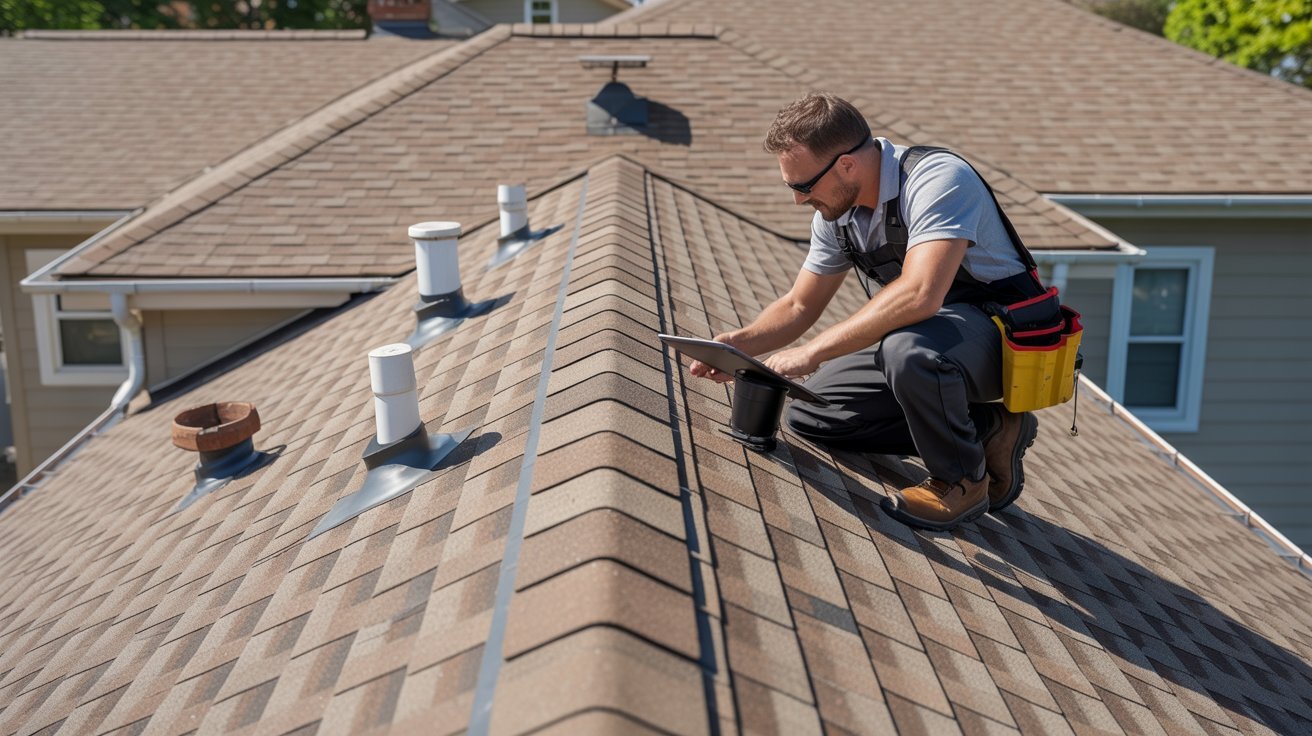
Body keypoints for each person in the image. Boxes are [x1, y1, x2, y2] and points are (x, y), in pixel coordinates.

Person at [689, 92, 1041, 531]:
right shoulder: (837, 216)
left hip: (1006, 337)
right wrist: (737, 344)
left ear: (846, 165)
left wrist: (812, 352)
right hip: (939, 337)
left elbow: (919, 294)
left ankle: (961, 483)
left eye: (803, 186)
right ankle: (991, 429)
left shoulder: (938, 179)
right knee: (814, 412)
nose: (799, 201)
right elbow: (799, 306)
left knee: (907, 351)